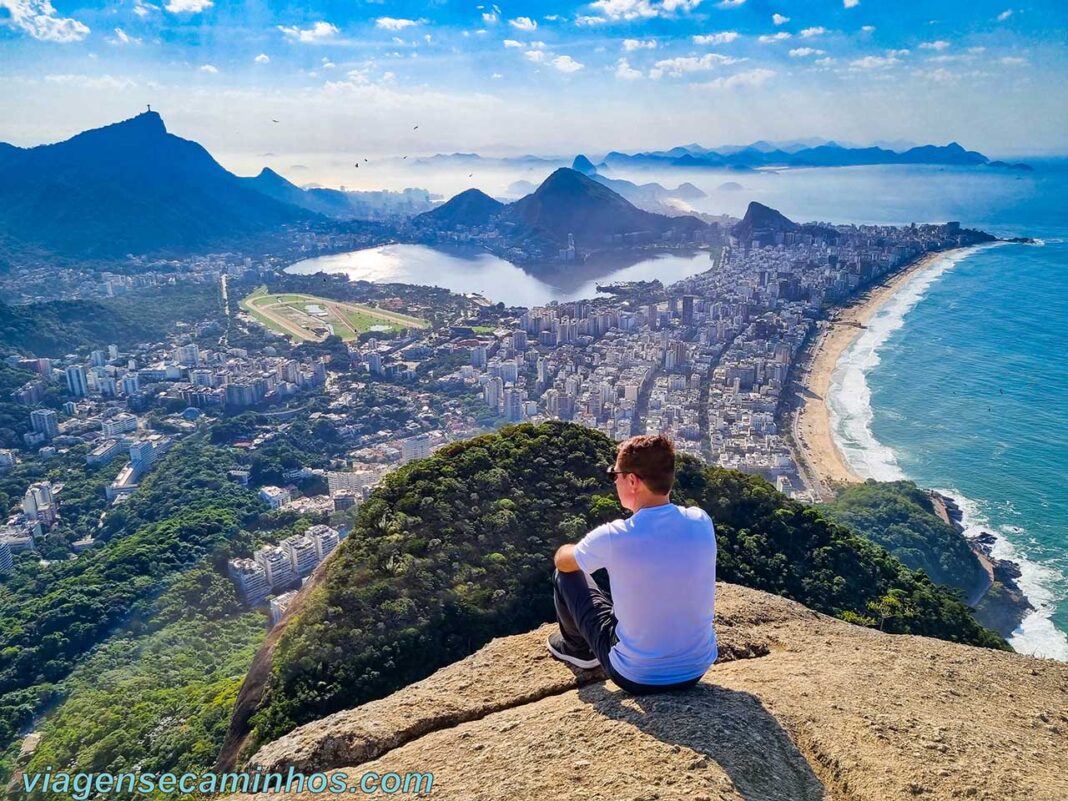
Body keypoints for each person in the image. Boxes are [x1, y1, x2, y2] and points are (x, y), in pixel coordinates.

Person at [548, 434, 717, 694]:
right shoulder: (701, 521)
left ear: (632, 481)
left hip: (636, 675)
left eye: (614, 475)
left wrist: (571, 548)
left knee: (566, 575)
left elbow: (564, 562)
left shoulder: (615, 536)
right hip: (695, 669)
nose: (614, 481)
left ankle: (577, 651)